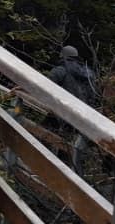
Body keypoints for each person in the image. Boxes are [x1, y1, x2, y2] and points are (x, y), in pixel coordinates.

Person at [48, 44, 97, 173]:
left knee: (45, 134)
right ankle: (72, 171)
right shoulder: (90, 74)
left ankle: (50, 168)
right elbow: (93, 96)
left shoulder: (60, 70)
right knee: (74, 146)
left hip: (61, 115)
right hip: (83, 117)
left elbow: (45, 87)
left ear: (63, 56)